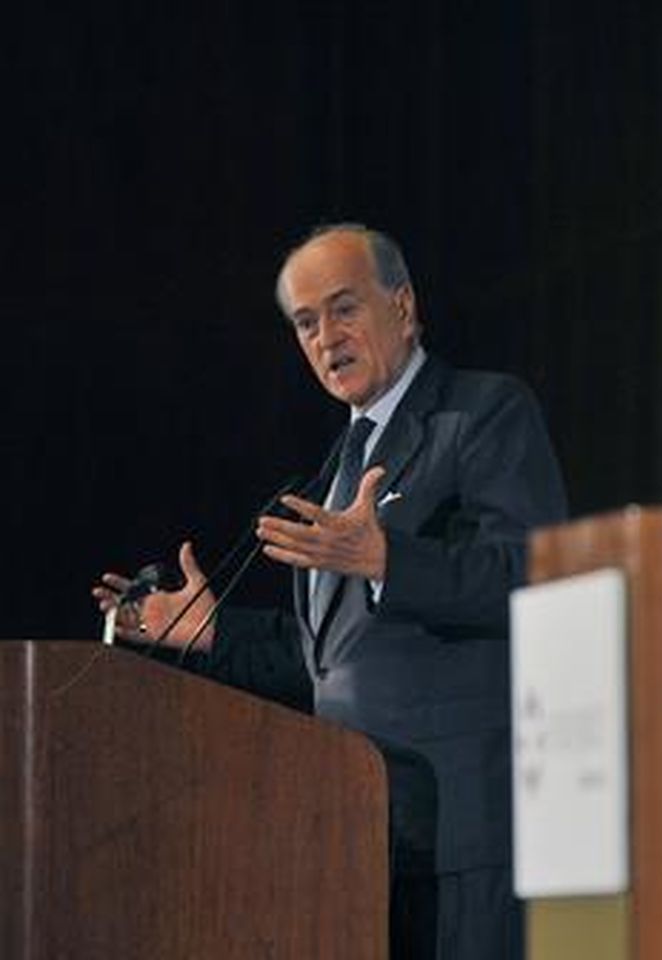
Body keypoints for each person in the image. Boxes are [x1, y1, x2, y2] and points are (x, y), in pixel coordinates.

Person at [94, 223, 567, 960]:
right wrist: (213, 634)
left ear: (403, 308)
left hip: (460, 833)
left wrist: (389, 563)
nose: (325, 338)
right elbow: (330, 661)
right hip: (352, 835)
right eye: (306, 323)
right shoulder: (331, 472)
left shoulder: (481, 414)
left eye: (344, 309)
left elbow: (536, 574)